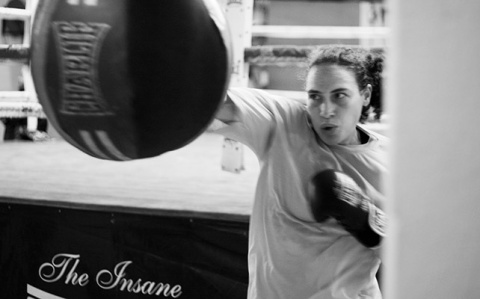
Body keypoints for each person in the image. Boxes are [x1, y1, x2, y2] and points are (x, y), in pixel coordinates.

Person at [212, 45, 387, 299]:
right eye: (315, 97)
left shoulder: (390, 164)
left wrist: (366, 220)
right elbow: (211, 104)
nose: (325, 110)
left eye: (339, 96)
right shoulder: (282, 123)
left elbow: (413, 258)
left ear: (366, 95)